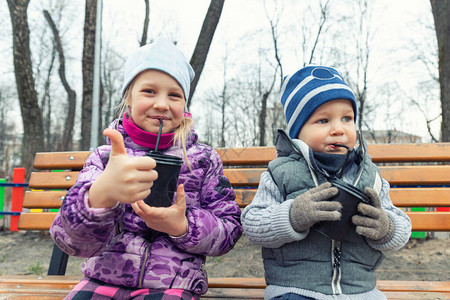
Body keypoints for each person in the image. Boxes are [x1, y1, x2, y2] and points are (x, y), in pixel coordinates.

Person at [50, 38, 242, 300]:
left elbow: (229, 229)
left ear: (184, 104)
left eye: (174, 94)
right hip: (102, 279)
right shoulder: (106, 158)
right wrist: (100, 195)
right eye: (149, 91)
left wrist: (183, 225)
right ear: (128, 97)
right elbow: (69, 240)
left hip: (173, 285)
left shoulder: (202, 160)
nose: (162, 104)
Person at [241, 65, 411, 300]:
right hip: (296, 289)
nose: (339, 129)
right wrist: (292, 216)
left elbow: (402, 227)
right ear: (298, 131)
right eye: (323, 120)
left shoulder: (370, 175)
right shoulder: (280, 173)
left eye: (347, 118)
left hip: (360, 291)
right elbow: (252, 225)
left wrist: (386, 228)